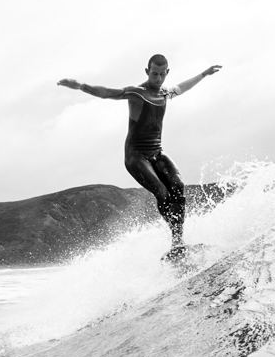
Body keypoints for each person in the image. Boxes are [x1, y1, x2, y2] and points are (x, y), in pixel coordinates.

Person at [58, 55, 221, 249]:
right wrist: (82, 86)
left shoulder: (165, 93)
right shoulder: (137, 93)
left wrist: (204, 74)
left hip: (156, 152)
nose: (158, 79)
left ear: (167, 72)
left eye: (162, 74)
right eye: (154, 74)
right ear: (147, 72)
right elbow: (107, 92)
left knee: (177, 185)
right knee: (162, 192)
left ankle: (178, 241)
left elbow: (182, 87)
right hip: (136, 156)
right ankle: (177, 243)